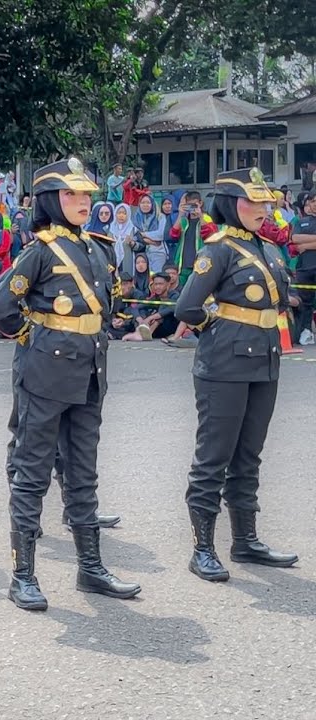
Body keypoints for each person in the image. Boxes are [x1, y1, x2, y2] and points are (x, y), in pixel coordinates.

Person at [0, 157, 140, 612]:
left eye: (86, 195)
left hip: (90, 375)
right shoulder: (39, 251)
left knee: (83, 473)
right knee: (33, 474)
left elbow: (105, 309)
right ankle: (23, 574)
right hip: (46, 374)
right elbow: (0, 308)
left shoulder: (98, 248)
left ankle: (90, 567)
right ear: (53, 200)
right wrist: (34, 338)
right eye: (72, 195)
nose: (82, 203)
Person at [174, 167, 298, 583]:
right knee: (214, 457)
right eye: (253, 201)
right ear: (231, 204)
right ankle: (202, 548)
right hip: (224, 363)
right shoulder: (220, 248)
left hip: (264, 359)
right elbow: (188, 306)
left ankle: (245, 540)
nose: (263, 208)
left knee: (248, 455)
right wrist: (218, 327)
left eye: (265, 201)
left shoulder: (265, 248)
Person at [169, 191, 217, 286]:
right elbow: (173, 235)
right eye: (189, 205)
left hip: (201, 264)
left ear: (200, 203)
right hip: (183, 265)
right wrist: (180, 214)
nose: (192, 208)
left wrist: (200, 217)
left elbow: (211, 235)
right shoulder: (183, 220)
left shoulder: (207, 218)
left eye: (194, 205)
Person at [290, 192, 316, 344]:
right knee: (304, 302)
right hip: (304, 268)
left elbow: (301, 243)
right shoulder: (301, 222)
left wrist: (305, 245)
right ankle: (304, 331)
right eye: (313, 201)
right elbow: (295, 239)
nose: (315, 204)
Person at [134, 194, 168, 271]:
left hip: (158, 252)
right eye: (143, 203)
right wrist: (152, 241)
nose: (145, 205)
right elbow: (136, 236)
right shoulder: (136, 218)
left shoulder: (160, 216)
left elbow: (160, 235)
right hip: (141, 253)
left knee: (157, 277)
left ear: (152, 204)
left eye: (148, 203)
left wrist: (144, 234)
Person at [110, 202, 139, 276]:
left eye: (124, 213)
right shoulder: (110, 229)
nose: (121, 216)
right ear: (115, 214)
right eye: (119, 213)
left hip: (127, 261)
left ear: (128, 215)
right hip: (112, 262)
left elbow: (141, 246)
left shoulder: (133, 229)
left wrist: (132, 243)